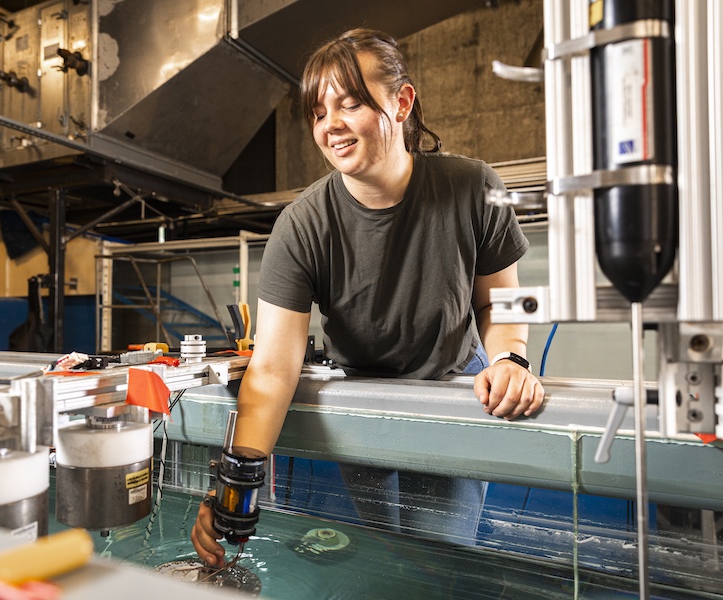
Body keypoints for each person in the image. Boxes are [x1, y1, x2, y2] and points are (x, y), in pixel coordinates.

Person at [191, 28, 545, 566]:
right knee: (383, 550)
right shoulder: (302, 225)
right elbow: (271, 369)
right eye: (317, 112)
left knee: (438, 558)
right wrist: (235, 485)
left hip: (451, 388)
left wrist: (512, 358)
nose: (330, 125)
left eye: (350, 104)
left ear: (401, 102)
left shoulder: (473, 187)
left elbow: (505, 303)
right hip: (363, 396)